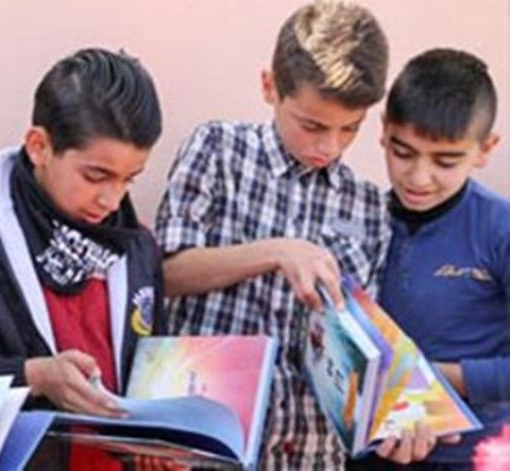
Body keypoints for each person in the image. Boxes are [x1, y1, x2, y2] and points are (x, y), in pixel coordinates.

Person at [154, 2, 393, 468]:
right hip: (206, 449)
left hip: (312, 454)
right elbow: (164, 274)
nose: (330, 146)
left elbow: (365, 349)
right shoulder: (218, 151)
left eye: (351, 130)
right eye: (313, 125)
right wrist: (277, 253)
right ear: (270, 87)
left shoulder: (369, 207)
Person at [0, 47, 165, 467]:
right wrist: (31, 376)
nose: (111, 198)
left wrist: (161, 441)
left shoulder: (138, 244)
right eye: (95, 175)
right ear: (39, 146)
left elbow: (150, 373)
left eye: (130, 179)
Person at [357, 48, 507, 469]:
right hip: (370, 452)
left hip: (468, 456)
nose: (419, 177)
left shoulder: (501, 229)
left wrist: (431, 380)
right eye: (403, 152)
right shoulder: (362, 219)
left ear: (485, 149)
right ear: (384, 131)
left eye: (446, 161)